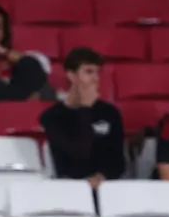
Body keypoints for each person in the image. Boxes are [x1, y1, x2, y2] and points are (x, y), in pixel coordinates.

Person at [40, 47, 126, 189]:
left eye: (97, 73)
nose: (95, 79)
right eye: (88, 72)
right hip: (69, 188)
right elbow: (77, 156)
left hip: (106, 187)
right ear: (71, 76)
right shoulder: (53, 116)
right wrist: (85, 109)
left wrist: (102, 176)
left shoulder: (110, 113)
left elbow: (118, 161)